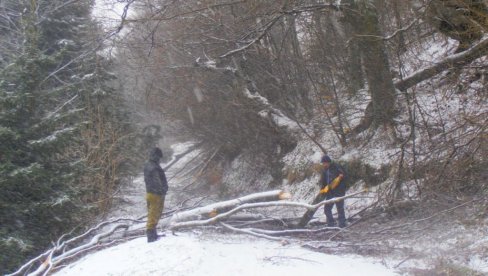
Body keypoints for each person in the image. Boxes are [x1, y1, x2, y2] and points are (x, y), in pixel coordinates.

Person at [144, 147, 168, 242]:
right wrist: (162, 190)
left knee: (154, 214)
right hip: (155, 194)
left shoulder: (150, 165)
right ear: (156, 156)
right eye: (159, 157)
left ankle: (153, 234)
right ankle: (151, 236)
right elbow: (156, 180)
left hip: (153, 193)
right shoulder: (153, 166)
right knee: (154, 214)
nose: (159, 159)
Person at [319, 155, 347, 228]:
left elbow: (343, 175)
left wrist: (341, 177)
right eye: (323, 163)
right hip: (330, 192)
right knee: (327, 209)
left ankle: (342, 224)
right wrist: (322, 190)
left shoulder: (336, 167)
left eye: (325, 163)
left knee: (340, 208)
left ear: (328, 162)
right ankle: (331, 224)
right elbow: (324, 182)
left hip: (339, 191)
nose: (324, 165)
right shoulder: (324, 171)